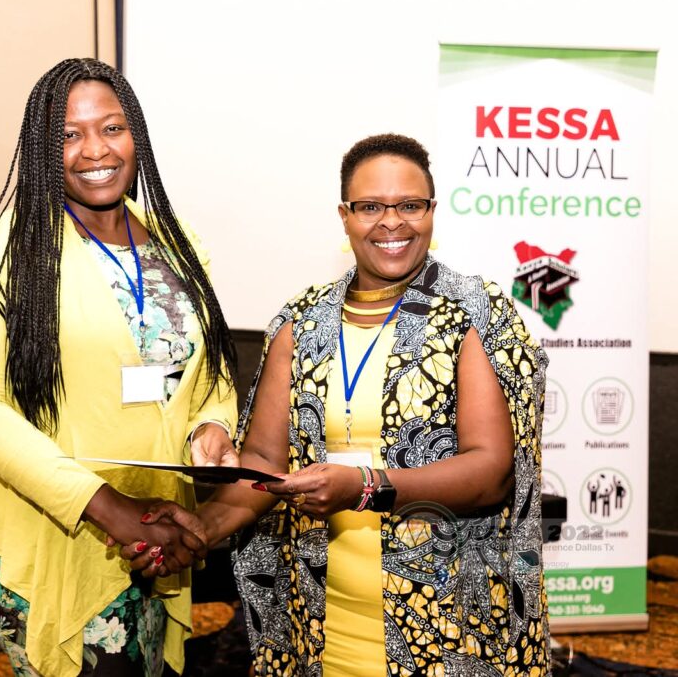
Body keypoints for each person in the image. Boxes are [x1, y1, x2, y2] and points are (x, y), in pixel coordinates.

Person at [122, 134, 551, 675]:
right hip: (322, 629)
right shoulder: (303, 321)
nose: (391, 222)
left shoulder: (473, 312)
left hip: (453, 632)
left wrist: (365, 486)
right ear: (345, 216)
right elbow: (265, 463)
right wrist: (199, 528)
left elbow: (491, 473)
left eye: (410, 205)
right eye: (371, 207)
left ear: (432, 212)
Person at [0, 58, 238, 677]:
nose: (94, 150)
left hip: (159, 529)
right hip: (58, 532)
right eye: (68, 135)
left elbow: (207, 375)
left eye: (112, 128)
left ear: (137, 135)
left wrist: (212, 428)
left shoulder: (176, 241)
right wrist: (107, 507)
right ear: (41, 148)